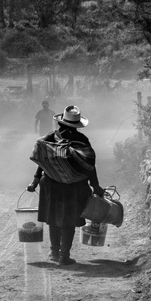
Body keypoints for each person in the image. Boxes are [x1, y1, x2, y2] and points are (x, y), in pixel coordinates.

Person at [26, 105, 105, 265]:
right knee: (69, 220)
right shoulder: (82, 141)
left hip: (51, 185)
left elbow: (43, 161)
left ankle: (54, 252)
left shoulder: (49, 138)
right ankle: (64, 256)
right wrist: (95, 186)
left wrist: (35, 180)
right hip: (75, 187)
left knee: (53, 218)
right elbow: (89, 165)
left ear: (60, 123)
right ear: (77, 125)